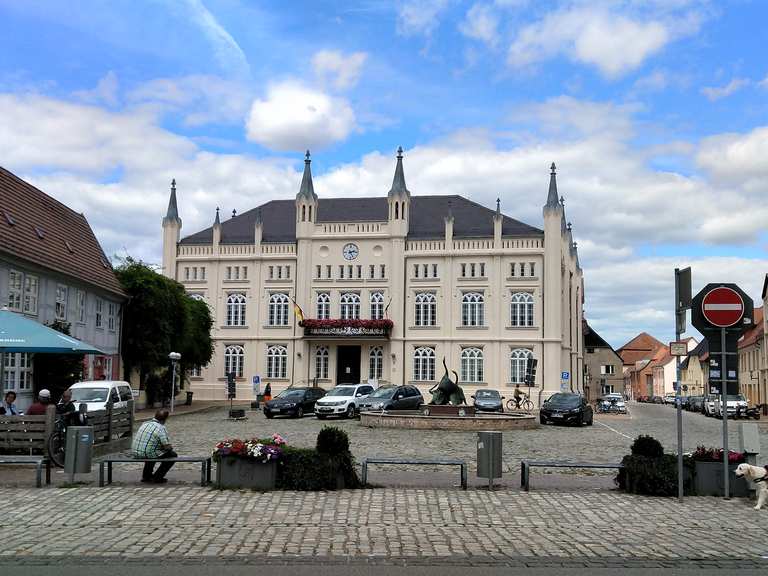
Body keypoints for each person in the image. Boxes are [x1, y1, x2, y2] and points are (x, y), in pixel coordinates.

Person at [132, 409, 176, 484]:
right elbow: (167, 446)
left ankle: (146, 476)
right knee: (172, 455)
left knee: (151, 450)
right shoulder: (161, 428)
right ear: (165, 419)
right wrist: (169, 448)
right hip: (148, 453)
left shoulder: (145, 423)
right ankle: (157, 477)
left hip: (136, 452)